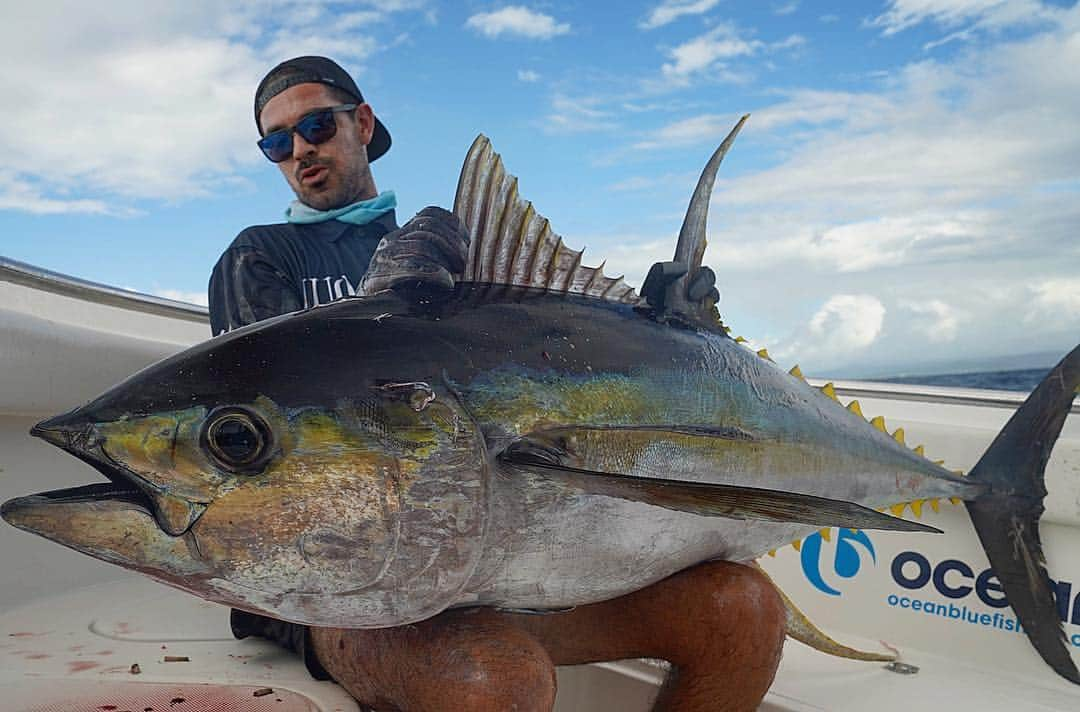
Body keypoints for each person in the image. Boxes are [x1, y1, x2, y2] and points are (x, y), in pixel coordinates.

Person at [209, 55, 785, 712]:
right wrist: (379, 303)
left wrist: (666, 328)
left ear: (362, 122)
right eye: (276, 142)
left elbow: (544, 361)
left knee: (743, 613)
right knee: (495, 682)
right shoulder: (259, 256)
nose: (300, 151)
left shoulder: (455, 261)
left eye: (314, 125)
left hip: (496, 562)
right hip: (342, 590)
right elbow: (264, 422)